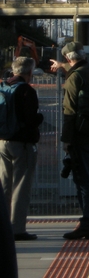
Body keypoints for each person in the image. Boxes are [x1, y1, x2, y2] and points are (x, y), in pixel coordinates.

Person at [52, 41, 89, 240]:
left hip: (82, 136)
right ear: (82, 54)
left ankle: (87, 224)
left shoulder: (74, 78)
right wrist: (63, 66)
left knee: (84, 181)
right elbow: (79, 68)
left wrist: (66, 140)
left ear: (68, 57)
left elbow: (69, 112)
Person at [0, 57, 43, 241]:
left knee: (4, 186)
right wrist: (39, 118)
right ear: (29, 72)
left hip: (2, 142)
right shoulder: (27, 91)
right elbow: (30, 120)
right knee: (20, 187)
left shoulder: (3, 87)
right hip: (22, 144)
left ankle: (3, 227)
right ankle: (17, 229)